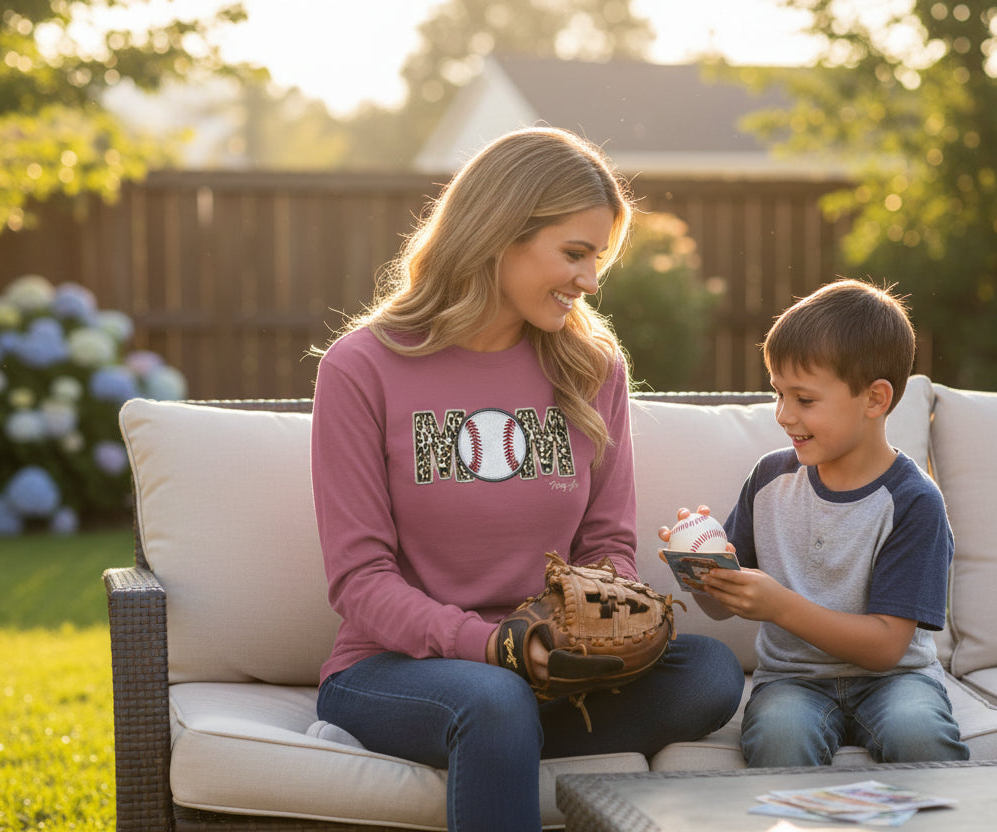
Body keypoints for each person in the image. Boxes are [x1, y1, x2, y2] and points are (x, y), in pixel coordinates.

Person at [310, 126, 744, 831]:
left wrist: (585, 631)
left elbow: (605, 540)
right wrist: (495, 647)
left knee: (709, 675)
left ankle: (496, 749)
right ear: (499, 234)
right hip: (397, 670)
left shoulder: (593, 367)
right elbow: (360, 581)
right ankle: (493, 733)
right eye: (574, 254)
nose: (591, 281)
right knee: (492, 702)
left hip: (549, 668)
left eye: (597, 259)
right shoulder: (362, 368)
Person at [659, 278, 969, 768]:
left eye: (804, 399)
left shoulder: (913, 502)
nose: (783, 414)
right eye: (778, 394)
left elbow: (887, 647)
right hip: (792, 681)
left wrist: (780, 606)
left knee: (920, 736)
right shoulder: (768, 479)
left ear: (874, 399)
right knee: (779, 738)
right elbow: (721, 610)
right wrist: (704, 569)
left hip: (896, 681)